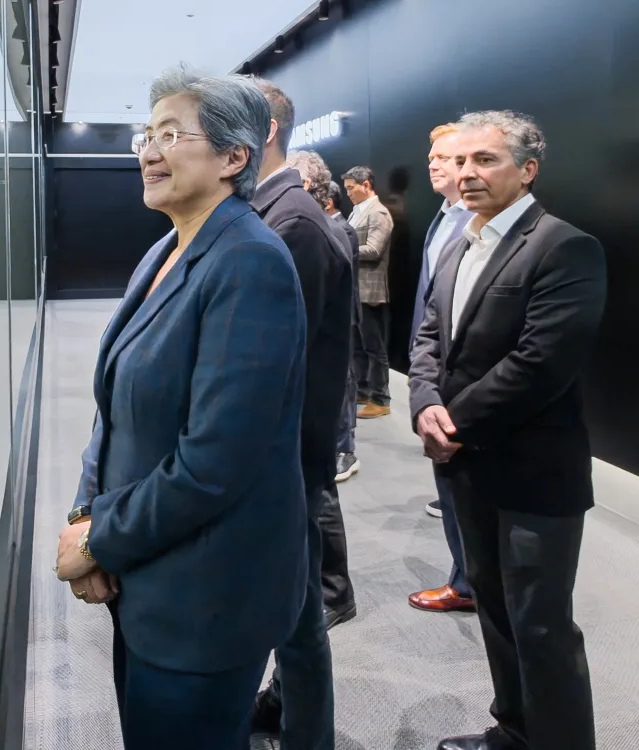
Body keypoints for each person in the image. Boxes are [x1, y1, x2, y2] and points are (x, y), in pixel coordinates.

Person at [54, 67, 309, 750]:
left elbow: (215, 461)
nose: (149, 152)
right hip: (148, 567)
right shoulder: (165, 250)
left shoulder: (250, 262)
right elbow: (113, 413)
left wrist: (100, 540)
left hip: (206, 593)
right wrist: (85, 516)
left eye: (171, 135)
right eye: (147, 135)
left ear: (233, 158)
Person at [409, 110, 604, 750]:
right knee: (494, 610)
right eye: (460, 160)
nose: (466, 172)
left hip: (533, 474)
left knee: (541, 626)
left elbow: (541, 363)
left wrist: (453, 421)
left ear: (528, 170)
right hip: (468, 468)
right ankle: (516, 731)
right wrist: (424, 402)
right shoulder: (460, 242)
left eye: (485, 159)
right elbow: (430, 337)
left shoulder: (565, 246)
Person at [250, 80, 352, 749]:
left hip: (284, 456)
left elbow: (282, 363)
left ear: (261, 131)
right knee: (293, 607)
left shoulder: (292, 221)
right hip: (279, 455)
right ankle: (288, 712)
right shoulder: (269, 211)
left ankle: (304, 731)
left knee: (299, 613)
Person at [286, 150, 358, 631]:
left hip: (319, 383)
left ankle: (335, 592)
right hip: (315, 381)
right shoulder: (317, 227)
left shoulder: (322, 231)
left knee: (320, 491)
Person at [406, 123, 476, 614]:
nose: (433, 164)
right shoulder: (444, 216)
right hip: (435, 371)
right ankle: (467, 579)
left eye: (444, 157)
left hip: (462, 378)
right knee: (451, 486)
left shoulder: (477, 223)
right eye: (431, 157)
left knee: (464, 487)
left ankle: (470, 584)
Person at [342, 166, 394, 419]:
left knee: (374, 347)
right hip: (356, 289)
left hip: (370, 290)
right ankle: (363, 390)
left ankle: (381, 399)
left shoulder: (379, 213)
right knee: (358, 346)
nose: (348, 193)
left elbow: (374, 249)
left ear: (366, 185)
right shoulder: (357, 211)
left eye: (351, 188)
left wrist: (342, 245)